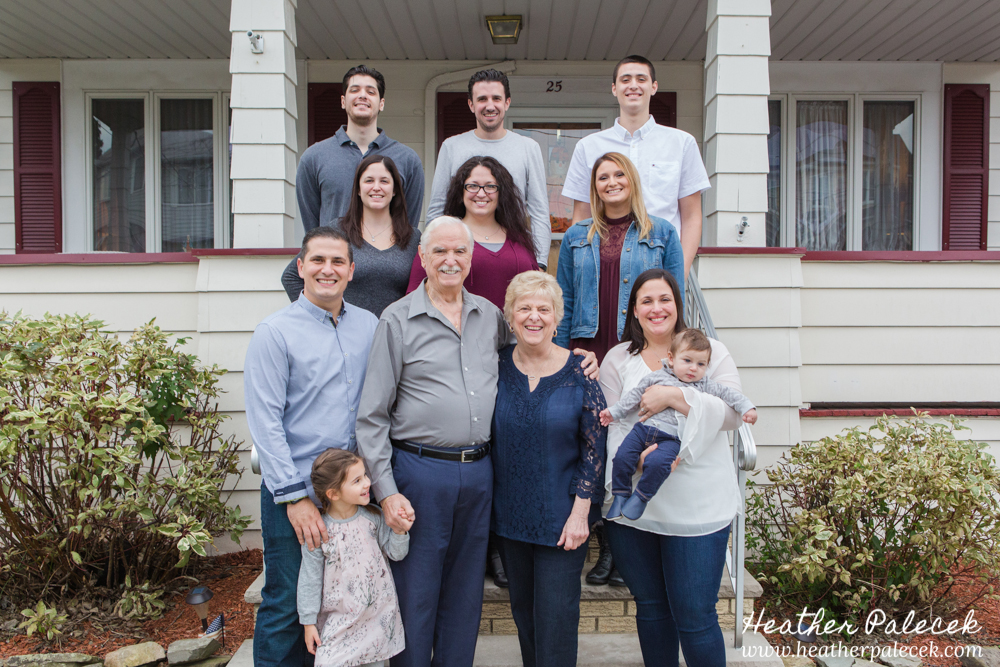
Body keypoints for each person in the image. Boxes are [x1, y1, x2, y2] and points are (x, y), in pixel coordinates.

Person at [355, 217, 598, 667]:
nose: (450, 260)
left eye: (460, 252)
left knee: (466, 596)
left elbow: (532, 352)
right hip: (419, 473)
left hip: (482, 474)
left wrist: (578, 360)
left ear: (470, 259)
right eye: (440, 252)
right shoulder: (397, 318)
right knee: (416, 592)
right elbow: (371, 417)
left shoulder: (490, 316)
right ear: (423, 258)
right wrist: (386, 493)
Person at [244, 226, 379, 667]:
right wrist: (295, 497)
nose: (328, 269)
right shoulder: (275, 332)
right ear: (300, 267)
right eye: (318, 260)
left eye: (338, 261)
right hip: (296, 492)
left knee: (335, 603)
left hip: (351, 494)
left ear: (351, 271)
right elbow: (265, 421)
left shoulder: (369, 326)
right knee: (287, 602)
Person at [600, 269, 746, 667]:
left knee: (696, 617)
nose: (656, 308)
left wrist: (673, 396)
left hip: (696, 506)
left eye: (664, 299)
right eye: (646, 301)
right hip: (635, 509)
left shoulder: (709, 350)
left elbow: (733, 412)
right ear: (634, 309)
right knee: (650, 608)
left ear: (678, 305)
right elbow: (613, 422)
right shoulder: (618, 358)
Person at [491, 271, 606, 667]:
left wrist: (581, 514)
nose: (534, 316)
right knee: (525, 619)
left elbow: (595, 447)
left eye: (544, 309)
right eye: (524, 308)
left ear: (557, 318)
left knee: (556, 622)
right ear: (510, 317)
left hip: (563, 521)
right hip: (510, 519)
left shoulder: (581, 372)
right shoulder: (496, 366)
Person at [282, 64, 424, 299]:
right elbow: (314, 228)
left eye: (371, 91)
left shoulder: (407, 160)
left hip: (391, 286)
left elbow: (405, 221)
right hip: (334, 282)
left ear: (382, 103)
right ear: (342, 100)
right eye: (355, 90)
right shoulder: (314, 157)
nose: (362, 96)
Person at [562, 55, 710, 277]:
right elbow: (582, 216)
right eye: (625, 79)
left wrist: (679, 273)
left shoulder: (681, 143)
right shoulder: (588, 146)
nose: (633, 85)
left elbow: (691, 216)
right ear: (614, 88)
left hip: (661, 259)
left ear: (654, 87)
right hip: (604, 261)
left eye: (641, 79)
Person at [600, 328, 756, 521]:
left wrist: (747, 407)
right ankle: (621, 495)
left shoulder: (704, 385)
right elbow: (633, 397)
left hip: (671, 438)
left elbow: (729, 395)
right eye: (687, 361)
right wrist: (614, 412)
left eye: (701, 364)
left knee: (658, 464)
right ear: (671, 359)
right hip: (642, 430)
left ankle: (641, 497)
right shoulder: (656, 376)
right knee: (622, 456)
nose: (693, 368)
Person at [298, 448, 411, 667]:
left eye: (365, 476)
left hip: (375, 618)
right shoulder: (319, 531)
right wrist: (308, 623)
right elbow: (309, 579)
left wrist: (399, 531)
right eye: (357, 480)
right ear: (333, 493)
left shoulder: (373, 517)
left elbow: (396, 554)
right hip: (339, 621)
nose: (368, 483)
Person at [427, 69, 551, 268]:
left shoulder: (528, 148)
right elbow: (437, 209)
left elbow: (539, 212)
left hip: (514, 254)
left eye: (496, 98)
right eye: (482, 99)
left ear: (507, 103)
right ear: (471, 104)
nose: (490, 106)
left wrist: (540, 263)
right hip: (461, 256)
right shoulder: (452, 146)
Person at [283, 154, 421, 315]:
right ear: (358, 189)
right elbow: (291, 277)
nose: (376, 187)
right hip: (346, 335)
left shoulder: (414, 238)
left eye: (384, 181)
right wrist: (320, 317)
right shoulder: (337, 231)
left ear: (395, 189)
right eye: (369, 181)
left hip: (396, 336)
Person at [409, 156, 538, 310]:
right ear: (460, 191)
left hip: (513, 333)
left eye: (490, 186)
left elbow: (538, 292)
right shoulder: (441, 237)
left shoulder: (520, 239)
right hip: (458, 331)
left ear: (501, 192)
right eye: (473, 186)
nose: (481, 194)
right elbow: (414, 298)